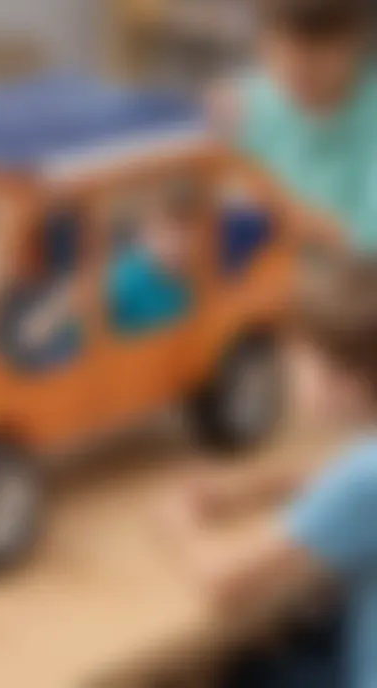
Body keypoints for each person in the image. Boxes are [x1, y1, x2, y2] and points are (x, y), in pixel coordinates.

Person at [156, 258, 377, 687]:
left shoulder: (363, 478)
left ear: (344, 382)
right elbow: (337, 479)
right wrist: (250, 488)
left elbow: (223, 579)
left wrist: (178, 520)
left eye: (300, 360)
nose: (288, 372)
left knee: (233, 672)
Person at [210, 0, 377, 250]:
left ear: (356, 42)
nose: (297, 72)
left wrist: (277, 206)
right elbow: (226, 205)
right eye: (279, 55)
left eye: (316, 59)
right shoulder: (249, 103)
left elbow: (365, 240)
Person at [22, 181, 198, 349]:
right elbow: (38, 329)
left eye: (185, 235)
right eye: (168, 232)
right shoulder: (124, 275)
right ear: (147, 233)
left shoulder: (185, 287)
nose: (178, 244)